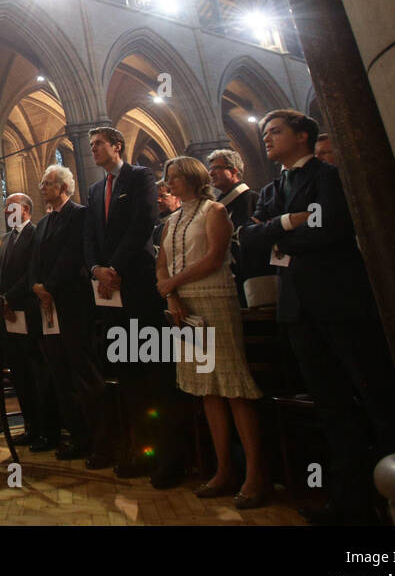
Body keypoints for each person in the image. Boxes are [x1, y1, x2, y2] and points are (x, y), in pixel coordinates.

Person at [240, 110, 395, 525]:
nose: (266, 138)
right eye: (264, 134)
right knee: (330, 406)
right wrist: (285, 223)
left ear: (302, 136)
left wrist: (279, 231)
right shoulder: (274, 188)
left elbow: (328, 229)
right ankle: (348, 502)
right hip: (297, 308)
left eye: (275, 131)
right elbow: (250, 238)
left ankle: (394, 497)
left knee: (375, 399)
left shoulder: (328, 177)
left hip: (339, 303)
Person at [157, 156, 269, 509]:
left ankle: (256, 474)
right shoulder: (171, 220)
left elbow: (215, 258)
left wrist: (172, 284)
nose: (169, 183)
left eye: (174, 177)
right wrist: (172, 295)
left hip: (215, 299)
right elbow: (161, 263)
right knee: (207, 390)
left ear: (192, 178)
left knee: (233, 386)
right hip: (184, 308)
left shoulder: (214, 211)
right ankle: (223, 470)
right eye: (167, 177)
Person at [83, 126, 188, 486]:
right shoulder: (96, 190)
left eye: (98, 144)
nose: (93, 149)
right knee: (128, 377)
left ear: (117, 145)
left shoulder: (140, 176)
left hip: (138, 288)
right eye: (91, 145)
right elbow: (90, 237)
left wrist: (114, 266)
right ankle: (141, 451)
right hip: (110, 296)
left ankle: (170, 457)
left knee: (155, 375)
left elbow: (144, 223)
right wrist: (96, 268)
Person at [30, 163, 103, 460]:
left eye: (47, 184)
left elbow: (74, 254)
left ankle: (100, 440)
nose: (42, 188)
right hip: (48, 307)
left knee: (83, 373)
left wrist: (50, 286)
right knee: (60, 374)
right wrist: (37, 285)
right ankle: (76, 436)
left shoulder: (81, 214)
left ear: (62, 187)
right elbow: (35, 258)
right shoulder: (44, 222)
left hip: (72, 302)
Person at [0, 192, 56, 451]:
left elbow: (32, 272)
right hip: (8, 314)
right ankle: (30, 426)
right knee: (19, 373)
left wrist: (9, 298)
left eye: (12, 207)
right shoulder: (6, 239)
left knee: (36, 373)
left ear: (27, 210)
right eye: (6, 207)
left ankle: (46, 430)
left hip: (28, 312)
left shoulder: (35, 234)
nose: (7, 211)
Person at [207, 148, 266, 305]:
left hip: (251, 276)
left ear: (233, 170)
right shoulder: (218, 206)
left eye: (216, 169)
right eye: (210, 169)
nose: (211, 173)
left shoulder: (252, 200)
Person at [152, 178, 182, 249]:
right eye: (156, 197)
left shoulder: (184, 221)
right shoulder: (158, 229)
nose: (158, 200)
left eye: (163, 196)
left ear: (177, 197)